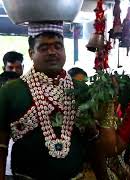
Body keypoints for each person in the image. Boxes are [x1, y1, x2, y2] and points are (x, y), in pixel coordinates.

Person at [0, 21, 88, 180]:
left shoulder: (81, 90)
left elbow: (93, 143)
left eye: (57, 46)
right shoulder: (10, 91)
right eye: (44, 48)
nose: (52, 52)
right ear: (31, 53)